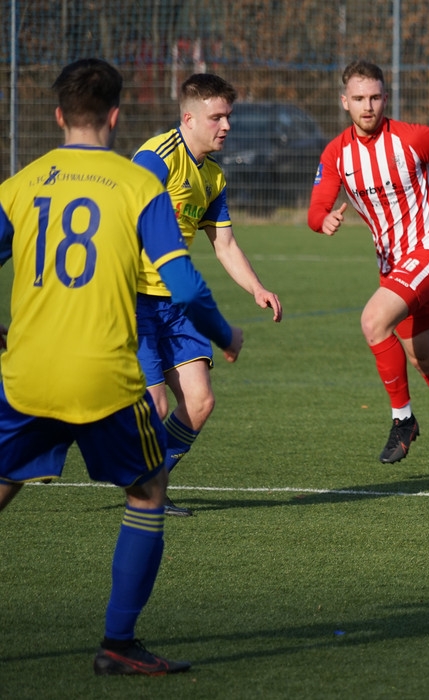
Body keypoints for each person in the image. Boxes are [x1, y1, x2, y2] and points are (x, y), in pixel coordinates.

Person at [0, 58, 243, 675]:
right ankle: (117, 644)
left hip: (26, 372)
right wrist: (225, 332)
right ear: (115, 116)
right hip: (102, 376)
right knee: (149, 489)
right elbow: (183, 285)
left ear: (58, 115)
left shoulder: (21, 183)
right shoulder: (137, 185)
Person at [308, 59, 429, 473]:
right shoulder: (336, 154)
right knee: (426, 359)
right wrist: (323, 220)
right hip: (394, 267)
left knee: (373, 322)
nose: (368, 106)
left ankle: (403, 420)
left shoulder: (414, 137)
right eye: (359, 98)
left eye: (375, 97)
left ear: (386, 98)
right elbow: (316, 207)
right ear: (344, 102)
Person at [132, 73, 282, 516]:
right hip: (134, 299)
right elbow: (123, 217)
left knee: (199, 402)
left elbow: (225, 244)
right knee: (155, 404)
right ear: (189, 119)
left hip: (176, 305)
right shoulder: (157, 158)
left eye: (228, 116)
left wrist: (257, 287)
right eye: (217, 117)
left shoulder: (213, 176)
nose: (227, 126)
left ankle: (150, 485)